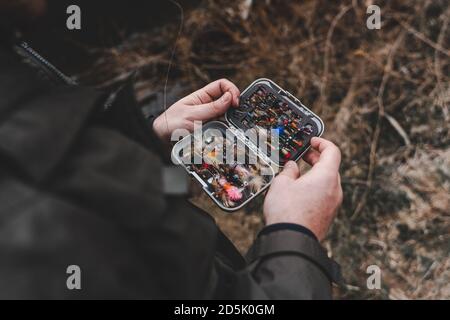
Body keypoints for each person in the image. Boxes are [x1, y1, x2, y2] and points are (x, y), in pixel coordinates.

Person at [0, 0, 343, 299]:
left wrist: (142, 143)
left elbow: (68, 166)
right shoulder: (39, 229)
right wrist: (297, 232)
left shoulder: (17, 74)